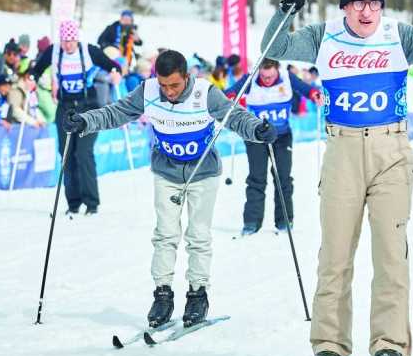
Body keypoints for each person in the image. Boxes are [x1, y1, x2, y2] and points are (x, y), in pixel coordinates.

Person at [262, 0, 413, 356]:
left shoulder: (398, 34)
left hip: (391, 149)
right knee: (335, 254)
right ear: (345, 6)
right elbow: (274, 46)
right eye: (357, 2)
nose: (366, 10)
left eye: (373, 2)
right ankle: (329, 343)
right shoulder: (324, 36)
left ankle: (389, 342)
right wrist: (288, 8)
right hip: (342, 149)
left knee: (391, 254)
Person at [61, 49, 275, 328]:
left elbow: (234, 116)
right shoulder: (148, 90)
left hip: (202, 172)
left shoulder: (205, 93)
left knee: (198, 235)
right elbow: (118, 112)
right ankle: (162, 295)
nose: (169, 91)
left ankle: (198, 294)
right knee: (165, 234)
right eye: (163, 85)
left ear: (187, 77)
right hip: (166, 171)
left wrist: (258, 130)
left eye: (174, 85)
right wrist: (85, 121)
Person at [31, 19, 121, 216]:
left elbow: (113, 65)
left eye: (71, 41)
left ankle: (92, 203)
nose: (68, 45)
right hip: (65, 108)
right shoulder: (54, 52)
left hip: (88, 108)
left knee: (83, 153)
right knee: (66, 155)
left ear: (77, 39)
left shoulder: (89, 51)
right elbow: (36, 70)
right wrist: (32, 80)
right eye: (65, 41)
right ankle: (73, 203)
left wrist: (116, 73)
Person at [225, 58, 322, 235]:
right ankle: (251, 223)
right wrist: (231, 97)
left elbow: (307, 89)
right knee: (256, 178)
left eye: (270, 76)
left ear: (277, 69)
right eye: (264, 76)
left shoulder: (287, 77)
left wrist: (314, 94)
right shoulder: (251, 78)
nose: (267, 80)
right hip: (256, 137)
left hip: (282, 136)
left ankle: (284, 221)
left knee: (283, 178)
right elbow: (230, 92)